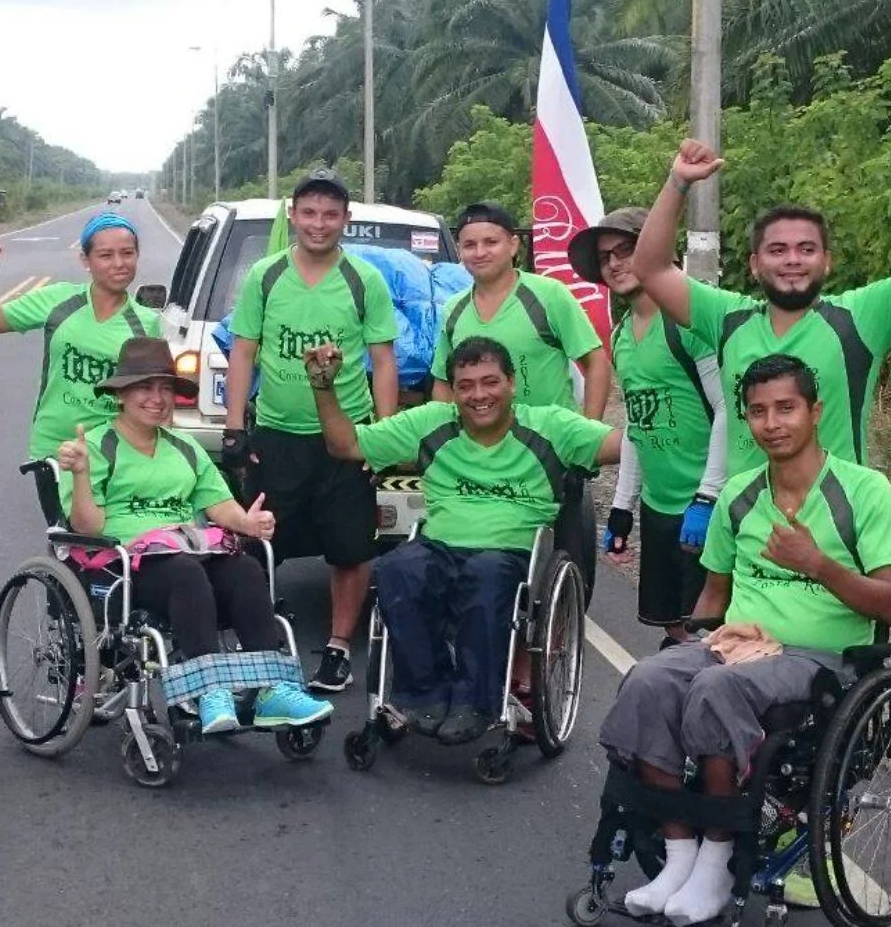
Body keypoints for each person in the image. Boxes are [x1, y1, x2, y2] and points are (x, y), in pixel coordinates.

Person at [595, 354, 891, 925]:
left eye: (786, 408)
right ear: (745, 419)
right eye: (759, 412)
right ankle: (678, 856)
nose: (773, 423)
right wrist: (689, 647)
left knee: (718, 689)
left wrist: (818, 564)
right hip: (738, 641)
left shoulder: (864, 492)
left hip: (821, 658)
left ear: (815, 412)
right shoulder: (741, 494)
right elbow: (715, 593)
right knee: (648, 680)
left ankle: (718, 860)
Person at [628, 126, 891, 477]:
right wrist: (678, 181)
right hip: (747, 526)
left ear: (827, 261)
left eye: (806, 249)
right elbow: (651, 268)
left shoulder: (861, 319)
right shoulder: (726, 319)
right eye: (777, 250)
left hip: (832, 530)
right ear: (755, 264)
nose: (793, 260)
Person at [306, 336, 623, 745]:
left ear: (511, 382)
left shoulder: (550, 425)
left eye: (490, 382)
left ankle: (478, 701)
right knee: (397, 570)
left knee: (485, 577)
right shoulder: (431, 422)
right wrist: (323, 388)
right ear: (453, 392)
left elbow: (619, 446)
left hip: (510, 553)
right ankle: (427, 692)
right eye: (466, 385)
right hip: (440, 543)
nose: (479, 395)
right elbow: (345, 444)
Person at [59, 337, 333, 732]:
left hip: (184, 556)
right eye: (144, 387)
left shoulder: (184, 447)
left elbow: (217, 505)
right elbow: (87, 528)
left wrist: (248, 523)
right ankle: (207, 692)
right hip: (123, 567)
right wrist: (81, 474)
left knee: (246, 569)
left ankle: (273, 690)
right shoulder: (98, 446)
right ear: (120, 393)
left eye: (165, 388)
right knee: (186, 571)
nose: (157, 398)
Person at [222, 168, 399, 693]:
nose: (318, 224)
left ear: (346, 219)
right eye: (308, 213)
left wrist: (384, 435)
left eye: (330, 214)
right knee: (261, 544)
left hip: (347, 440)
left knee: (352, 547)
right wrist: (235, 431)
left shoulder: (364, 280)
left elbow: (383, 361)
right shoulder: (266, 276)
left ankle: (340, 649)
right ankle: (263, 646)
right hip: (278, 433)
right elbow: (243, 352)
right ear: (293, 216)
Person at [432, 202, 615, 598]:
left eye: (490, 242)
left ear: (513, 245)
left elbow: (596, 362)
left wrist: (589, 436)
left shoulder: (548, 296)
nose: (479, 252)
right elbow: (443, 386)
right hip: (483, 456)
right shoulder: (453, 310)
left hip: (548, 453)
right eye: (469, 245)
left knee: (560, 572)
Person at [568, 208, 729, 647]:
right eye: (606, 257)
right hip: (660, 507)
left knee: (709, 635)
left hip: (705, 506)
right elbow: (639, 426)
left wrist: (709, 496)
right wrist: (623, 507)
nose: (617, 263)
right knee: (672, 627)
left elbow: (728, 413)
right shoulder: (621, 336)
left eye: (628, 250)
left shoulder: (689, 320)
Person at [0, 210, 161, 509]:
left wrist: (161, 458)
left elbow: (156, 397)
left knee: (110, 546)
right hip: (54, 451)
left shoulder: (146, 323)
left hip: (115, 453)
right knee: (66, 545)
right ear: (86, 260)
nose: (119, 264)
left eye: (127, 253)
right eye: (105, 255)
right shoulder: (58, 301)